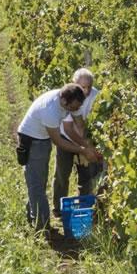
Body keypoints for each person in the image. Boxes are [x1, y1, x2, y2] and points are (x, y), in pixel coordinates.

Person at [16, 83, 101, 232]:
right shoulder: (50, 110)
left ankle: (32, 215)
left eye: (77, 107)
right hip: (31, 139)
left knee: (40, 180)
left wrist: (88, 146)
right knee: (36, 183)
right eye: (73, 107)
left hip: (43, 138)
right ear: (63, 101)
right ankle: (41, 226)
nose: (75, 110)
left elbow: (79, 123)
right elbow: (59, 142)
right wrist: (82, 150)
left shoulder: (72, 100)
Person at [52, 68, 102, 218]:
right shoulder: (68, 96)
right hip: (66, 138)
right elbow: (69, 129)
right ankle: (58, 208)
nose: (86, 91)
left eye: (88, 87)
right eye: (82, 87)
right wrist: (82, 148)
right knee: (62, 173)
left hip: (86, 138)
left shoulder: (97, 96)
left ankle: (83, 207)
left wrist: (86, 146)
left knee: (87, 174)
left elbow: (84, 125)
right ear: (74, 84)